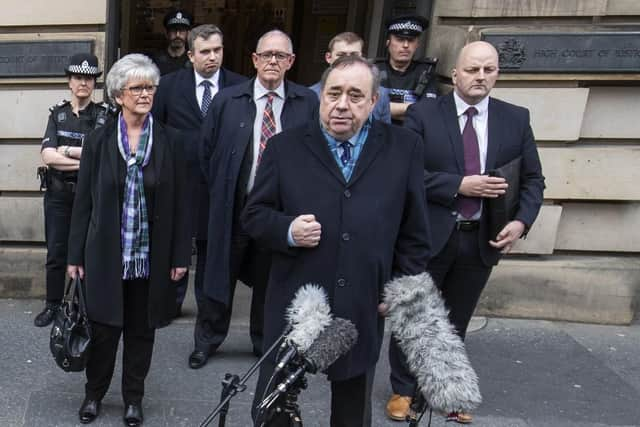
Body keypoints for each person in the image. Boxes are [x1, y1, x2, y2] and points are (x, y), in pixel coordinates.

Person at [243, 55, 431, 427]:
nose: (342, 105)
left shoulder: (403, 148)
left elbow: (415, 234)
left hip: (362, 298)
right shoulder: (285, 147)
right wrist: (287, 230)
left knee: (351, 407)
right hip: (297, 302)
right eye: (334, 93)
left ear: (374, 102)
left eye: (355, 95)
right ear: (321, 97)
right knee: (274, 404)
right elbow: (254, 215)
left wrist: (399, 288)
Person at [385, 41, 545, 424]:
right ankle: (403, 390)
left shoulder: (515, 119)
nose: (480, 77)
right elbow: (406, 177)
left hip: (482, 237)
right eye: (473, 69)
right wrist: (459, 184)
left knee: (457, 319)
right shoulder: (424, 114)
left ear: (497, 74)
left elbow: (533, 180)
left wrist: (520, 221)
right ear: (455, 74)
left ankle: (448, 390)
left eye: (488, 70)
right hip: (431, 234)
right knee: (415, 313)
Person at [67, 54, 190, 426]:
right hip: (106, 254)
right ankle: (94, 394)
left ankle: (133, 398)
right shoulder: (99, 141)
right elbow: (84, 202)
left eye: (150, 87)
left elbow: (183, 203)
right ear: (119, 94)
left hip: (150, 257)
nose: (145, 94)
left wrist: (180, 255)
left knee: (141, 331)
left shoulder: (171, 141)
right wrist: (75, 255)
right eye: (137, 88)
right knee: (104, 330)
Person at [196, 29, 318, 369]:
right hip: (234, 208)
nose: (273, 61)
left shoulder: (307, 103)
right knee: (218, 278)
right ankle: (207, 340)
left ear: (291, 62)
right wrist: (225, 188)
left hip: (277, 215)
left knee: (270, 283)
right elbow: (206, 154)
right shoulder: (227, 100)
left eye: (280, 56)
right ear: (254, 59)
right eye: (267, 55)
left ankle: (263, 343)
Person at [152, 24, 246, 323]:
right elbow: (155, 132)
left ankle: (208, 320)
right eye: (205, 52)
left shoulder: (240, 87)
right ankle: (168, 308)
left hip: (220, 185)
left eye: (217, 50)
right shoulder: (167, 86)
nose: (212, 57)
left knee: (210, 253)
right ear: (191, 55)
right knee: (173, 245)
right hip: (179, 183)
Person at [34, 53, 111, 327]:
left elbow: (105, 156)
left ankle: (82, 307)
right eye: (78, 77)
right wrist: (84, 160)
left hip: (89, 196)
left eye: (89, 78)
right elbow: (48, 156)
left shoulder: (105, 116)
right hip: (58, 195)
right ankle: (53, 305)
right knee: (56, 253)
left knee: (87, 254)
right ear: (69, 81)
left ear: (94, 83)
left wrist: (66, 150)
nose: (84, 83)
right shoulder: (58, 114)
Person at [309, 32, 391, 124]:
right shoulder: (310, 95)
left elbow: (385, 134)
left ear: (362, 57)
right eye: (341, 55)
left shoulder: (380, 94)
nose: (347, 60)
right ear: (328, 57)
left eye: (354, 55)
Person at [375, 15, 438, 124]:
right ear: (388, 42)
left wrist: (383, 109)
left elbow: (429, 111)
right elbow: (366, 108)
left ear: (417, 44)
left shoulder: (426, 72)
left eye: (411, 40)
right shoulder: (374, 70)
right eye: (399, 40)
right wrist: (414, 109)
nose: (405, 45)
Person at [151, 9, 193, 75]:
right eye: (173, 31)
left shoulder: (193, 60)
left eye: (182, 31)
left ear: (188, 33)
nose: (177, 35)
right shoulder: (155, 60)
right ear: (166, 33)